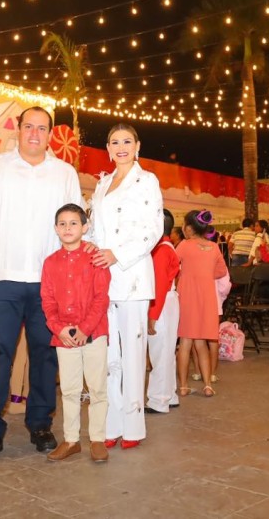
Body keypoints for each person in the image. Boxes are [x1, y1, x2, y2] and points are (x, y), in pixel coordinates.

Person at [0, 107, 83, 463]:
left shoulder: (64, 173)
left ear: (50, 134)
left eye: (41, 128)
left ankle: (40, 424)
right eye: (28, 126)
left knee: (46, 355)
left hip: (50, 281)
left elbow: (74, 221)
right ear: (18, 130)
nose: (34, 133)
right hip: (0, 277)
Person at [86, 123, 163, 450]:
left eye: (126, 141)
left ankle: (133, 426)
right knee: (108, 356)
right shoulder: (102, 184)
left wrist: (117, 254)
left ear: (137, 146)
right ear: (107, 147)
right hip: (104, 280)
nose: (121, 147)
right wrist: (88, 246)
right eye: (114, 141)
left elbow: (153, 229)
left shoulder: (147, 181)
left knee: (133, 353)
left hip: (131, 277)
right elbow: (93, 229)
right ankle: (112, 423)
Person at [40, 204, 111, 463]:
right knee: (69, 390)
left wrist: (85, 328)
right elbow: (47, 300)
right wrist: (59, 328)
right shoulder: (50, 263)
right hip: (64, 336)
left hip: (93, 332)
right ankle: (71, 440)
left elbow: (101, 298)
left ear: (85, 227)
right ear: (56, 228)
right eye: (62, 223)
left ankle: (98, 440)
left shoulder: (96, 258)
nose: (68, 228)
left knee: (97, 388)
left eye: (73, 223)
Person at [175, 210, 227, 398]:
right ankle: (207, 385)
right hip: (207, 296)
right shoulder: (214, 247)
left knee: (185, 342)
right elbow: (221, 271)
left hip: (187, 295)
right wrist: (205, 275)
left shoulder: (184, 245)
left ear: (188, 228)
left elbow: (172, 264)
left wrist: (189, 275)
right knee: (202, 343)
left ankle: (182, 386)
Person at [146, 209, 181, 415]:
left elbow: (158, 286)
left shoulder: (160, 251)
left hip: (162, 303)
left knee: (159, 353)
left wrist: (152, 315)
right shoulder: (168, 247)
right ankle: (169, 395)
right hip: (168, 302)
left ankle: (158, 400)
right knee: (167, 352)